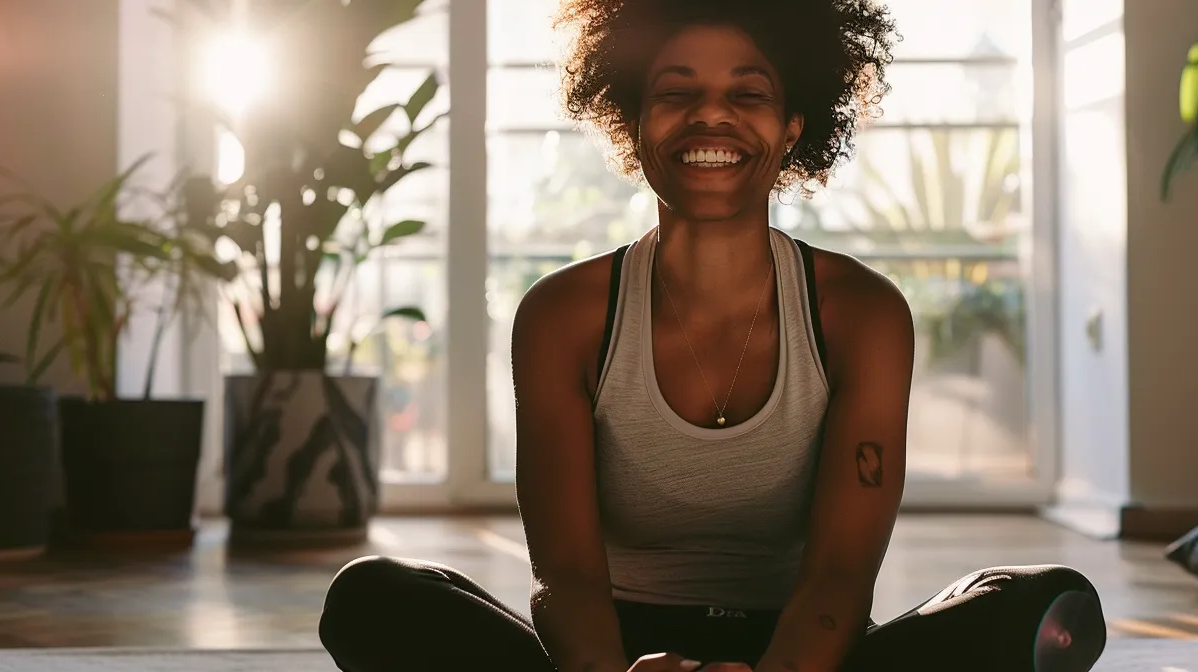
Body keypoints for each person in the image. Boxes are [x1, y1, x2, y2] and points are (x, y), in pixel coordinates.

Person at [318, 0, 1108, 670]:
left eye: (748, 92)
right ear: (632, 120)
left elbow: (837, 577)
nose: (711, 114)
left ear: (794, 124)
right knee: (370, 596)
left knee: (1053, 609)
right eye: (677, 90)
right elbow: (568, 579)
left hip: (804, 647)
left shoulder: (862, 313)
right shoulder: (562, 315)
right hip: (617, 645)